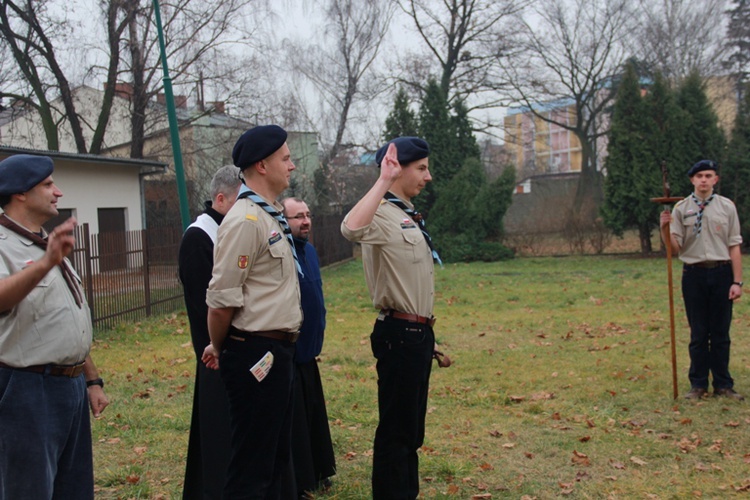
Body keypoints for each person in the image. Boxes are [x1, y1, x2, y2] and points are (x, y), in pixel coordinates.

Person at [341, 136, 448, 499]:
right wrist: (382, 181)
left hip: (417, 335)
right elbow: (350, 229)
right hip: (400, 334)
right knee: (397, 433)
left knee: (412, 433)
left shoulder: (405, 214)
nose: (428, 176)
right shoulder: (381, 214)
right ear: (397, 168)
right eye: (421, 168)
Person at [0, 154, 109, 499]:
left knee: (73, 489)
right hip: (27, 388)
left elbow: (66, 314)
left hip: (70, 386)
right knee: (29, 490)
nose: (58, 192)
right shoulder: (4, 245)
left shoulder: (46, 242)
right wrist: (47, 262)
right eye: (48, 184)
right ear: (19, 192)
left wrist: (91, 379)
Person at [203, 125, 303, 498]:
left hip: (278, 352)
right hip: (255, 353)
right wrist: (220, 345)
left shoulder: (270, 215)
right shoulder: (245, 220)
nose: (291, 166)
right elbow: (221, 300)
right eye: (286, 158)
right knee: (252, 469)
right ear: (262, 165)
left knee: (274, 461)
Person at [179, 165, 241, 499]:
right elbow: (201, 303)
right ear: (220, 199)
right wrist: (212, 346)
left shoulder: (232, 229)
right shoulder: (199, 237)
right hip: (215, 351)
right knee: (219, 432)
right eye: (239, 201)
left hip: (238, 346)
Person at [660, 159, 744, 401]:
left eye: (708, 175)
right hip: (694, 274)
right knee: (698, 333)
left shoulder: (727, 207)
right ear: (692, 180)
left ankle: (723, 384)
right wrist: (665, 229)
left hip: (721, 273)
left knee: (720, 332)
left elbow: (734, 245)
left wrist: (736, 282)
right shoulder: (680, 209)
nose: (704, 180)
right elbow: (675, 247)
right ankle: (697, 385)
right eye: (699, 176)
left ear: (715, 179)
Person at [281, 197, 336, 498]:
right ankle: (301, 479)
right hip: (289, 353)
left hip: (310, 353)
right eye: (297, 217)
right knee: (297, 423)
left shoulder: (311, 251)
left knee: (315, 415)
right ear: (284, 221)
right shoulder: (282, 254)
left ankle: (320, 469)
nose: (306, 221)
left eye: (308, 214)